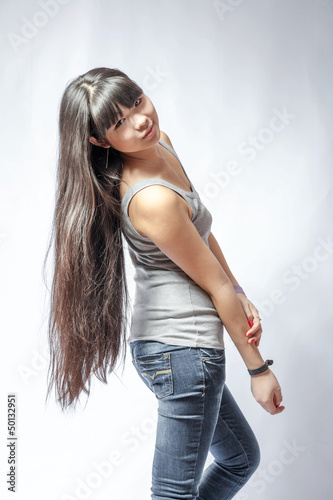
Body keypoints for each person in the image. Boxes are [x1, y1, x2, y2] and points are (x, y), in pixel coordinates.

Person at [45, 67, 285, 500]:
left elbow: (203, 237)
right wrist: (259, 369)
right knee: (173, 495)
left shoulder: (162, 146)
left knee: (240, 459)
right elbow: (212, 285)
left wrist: (241, 291)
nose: (140, 119)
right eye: (118, 122)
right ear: (100, 140)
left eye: (136, 101)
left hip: (181, 351)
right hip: (183, 353)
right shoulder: (151, 198)